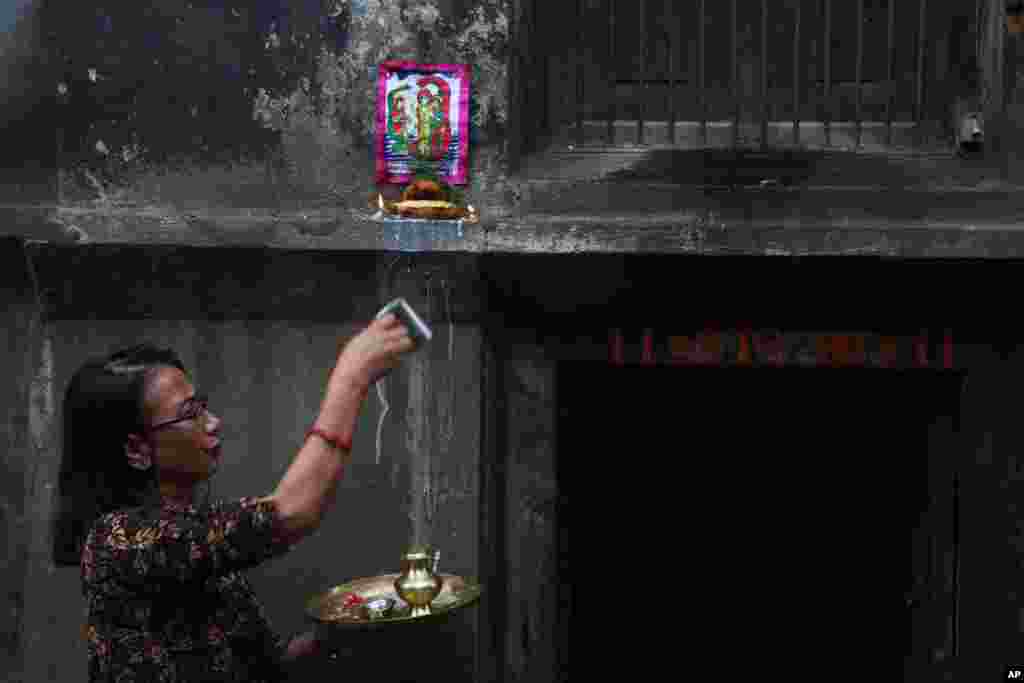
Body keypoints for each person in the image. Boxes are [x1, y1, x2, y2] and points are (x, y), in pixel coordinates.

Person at [52, 314, 415, 682]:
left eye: (202, 406)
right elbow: (288, 513)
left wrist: (340, 631)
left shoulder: (195, 539)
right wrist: (351, 379)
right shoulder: (118, 541)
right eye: (190, 413)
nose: (212, 422)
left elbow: (266, 669)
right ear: (136, 449)